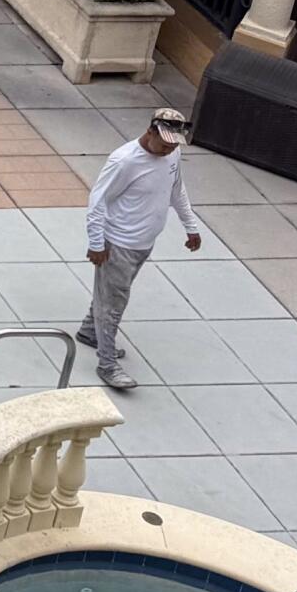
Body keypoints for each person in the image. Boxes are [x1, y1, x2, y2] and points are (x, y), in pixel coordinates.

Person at [78, 107, 204, 393]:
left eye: (174, 144)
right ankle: (107, 364)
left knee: (109, 294)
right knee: (113, 305)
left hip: (144, 243)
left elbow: (176, 189)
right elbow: (97, 202)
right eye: (164, 143)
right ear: (150, 131)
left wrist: (190, 225)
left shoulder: (172, 153)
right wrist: (97, 243)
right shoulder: (124, 161)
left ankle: (89, 331)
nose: (168, 149)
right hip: (118, 244)